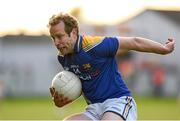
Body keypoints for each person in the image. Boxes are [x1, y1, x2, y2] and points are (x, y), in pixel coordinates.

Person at [48, 12, 175, 121]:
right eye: (53, 38)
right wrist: (63, 100)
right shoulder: (63, 58)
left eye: (60, 36)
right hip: (94, 110)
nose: (56, 43)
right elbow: (82, 84)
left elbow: (134, 42)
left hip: (118, 102)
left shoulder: (95, 45)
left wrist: (163, 49)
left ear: (74, 32)